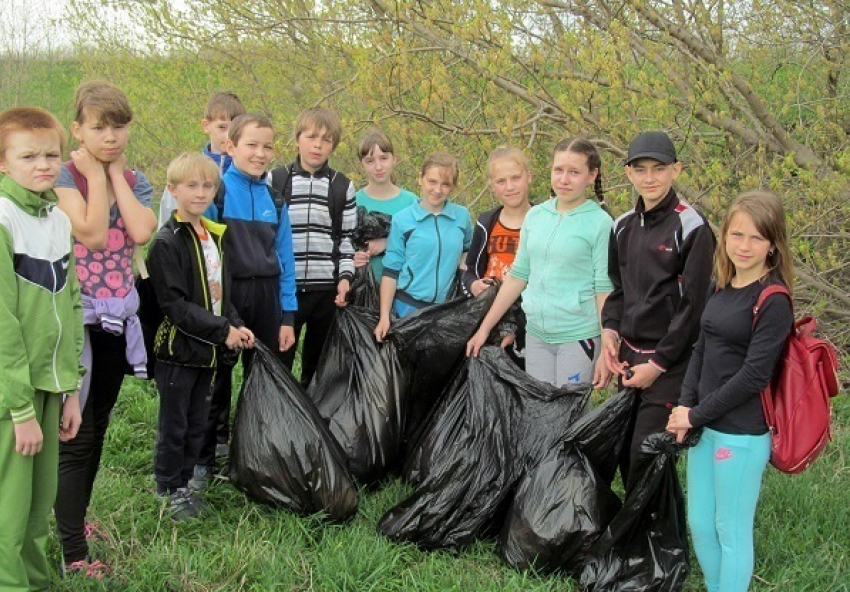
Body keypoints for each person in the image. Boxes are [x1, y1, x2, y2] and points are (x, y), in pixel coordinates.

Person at [54, 80, 157, 577]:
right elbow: (92, 233)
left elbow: (140, 231)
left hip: (117, 322)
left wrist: (115, 174)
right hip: (73, 322)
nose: (111, 135)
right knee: (76, 435)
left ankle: (72, 520)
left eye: (119, 126)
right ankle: (73, 553)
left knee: (99, 428)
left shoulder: (134, 180)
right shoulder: (61, 175)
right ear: (77, 129)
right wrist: (95, 175)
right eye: (99, 127)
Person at [667, 190, 794, 592]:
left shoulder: (773, 301)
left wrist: (695, 414)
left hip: (741, 435)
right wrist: (685, 406)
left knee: (730, 529)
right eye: (737, 234)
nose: (744, 246)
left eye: (756, 238)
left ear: (772, 245)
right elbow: (701, 347)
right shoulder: (720, 286)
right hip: (705, 427)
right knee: (701, 525)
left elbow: (754, 377)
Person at [600, 130, 715, 483]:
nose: (649, 178)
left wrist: (659, 363)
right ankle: (636, 535)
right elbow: (618, 289)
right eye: (641, 169)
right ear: (628, 173)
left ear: (676, 170)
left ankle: (657, 537)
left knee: (646, 456)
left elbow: (694, 308)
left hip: (669, 362)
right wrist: (609, 330)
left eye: (659, 169)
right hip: (629, 358)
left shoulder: (692, 227)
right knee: (623, 453)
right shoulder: (621, 227)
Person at [0, 107, 83, 590]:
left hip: (51, 388)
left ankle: (35, 581)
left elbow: (71, 305)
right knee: (8, 510)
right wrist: (18, 409)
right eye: (28, 156)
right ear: (4, 163)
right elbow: (3, 323)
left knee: (37, 507)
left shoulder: (56, 218)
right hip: (14, 395)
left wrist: (71, 387)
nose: (43, 164)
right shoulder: (5, 217)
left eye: (51, 154)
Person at [147, 153, 255, 520]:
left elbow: (221, 293)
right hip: (179, 351)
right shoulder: (165, 243)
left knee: (199, 419)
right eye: (191, 186)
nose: (201, 192)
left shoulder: (212, 235)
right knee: (174, 424)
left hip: (209, 351)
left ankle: (191, 481)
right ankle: (168, 488)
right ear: (172, 189)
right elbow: (175, 306)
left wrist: (236, 323)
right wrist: (222, 330)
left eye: (208, 185)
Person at [197, 112, 297, 489]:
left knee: (265, 378)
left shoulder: (275, 197)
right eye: (251, 145)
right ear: (230, 146)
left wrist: (288, 315)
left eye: (267, 146)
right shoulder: (217, 192)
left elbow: (285, 258)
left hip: (268, 297)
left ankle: (258, 452)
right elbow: (206, 258)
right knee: (217, 379)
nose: (259, 153)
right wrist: (226, 314)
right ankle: (205, 458)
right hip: (228, 296)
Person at [466, 139, 611, 389]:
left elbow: (603, 289)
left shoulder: (600, 223)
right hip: (536, 337)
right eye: (558, 170)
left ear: (591, 175)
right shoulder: (536, 216)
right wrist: (484, 328)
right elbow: (518, 277)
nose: (564, 179)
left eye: (574, 172)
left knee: (566, 418)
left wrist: (608, 346)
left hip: (578, 337)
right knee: (538, 414)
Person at [272, 107, 356, 389]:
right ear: (297, 139)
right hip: (286, 290)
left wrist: (345, 279)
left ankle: (314, 425)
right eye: (311, 137)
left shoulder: (342, 186)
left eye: (326, 140)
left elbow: (347, 240)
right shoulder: (276, 179)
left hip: (326, 292)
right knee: (280, 361)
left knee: (318, 368)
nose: (317, 145)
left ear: (334, 145)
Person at [374, 150, 473, 341]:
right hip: (407, 307)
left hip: (445, 310)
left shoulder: (462, 216)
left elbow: (468, 250)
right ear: (421, 178)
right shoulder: (403, 220)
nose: (438, 190)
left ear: (453, 186)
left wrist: (463, 265)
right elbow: (391, 271)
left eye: (445, 184)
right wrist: (384, 317)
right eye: (432, 181)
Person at [461, 146, 533, 367]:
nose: (509, 187)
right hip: (489, 321)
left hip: (529, 324)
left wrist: (515, 325)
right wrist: (473, 285)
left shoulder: (542, 220)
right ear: (492, 186)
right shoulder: (486, 222)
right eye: (501, 181)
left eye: (515, 178)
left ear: (529, 177)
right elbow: (470, 270)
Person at [157, 92, 246, 229]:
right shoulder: (186, 169)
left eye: (234, 128)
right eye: (222, 127)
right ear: (206, 126)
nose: (229, 135)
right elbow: (167, 220)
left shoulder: (247, 174)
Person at [352, 128, 417, 282]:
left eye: (383, 158)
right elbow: (340, 246)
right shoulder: (353, 202)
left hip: (403, 292)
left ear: (394, 159)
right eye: (370, 161)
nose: (378, 167)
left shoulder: (411, 202)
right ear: (362, 164)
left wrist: (387, 242)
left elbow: (423, 243)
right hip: (363, 292)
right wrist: (352, 257)